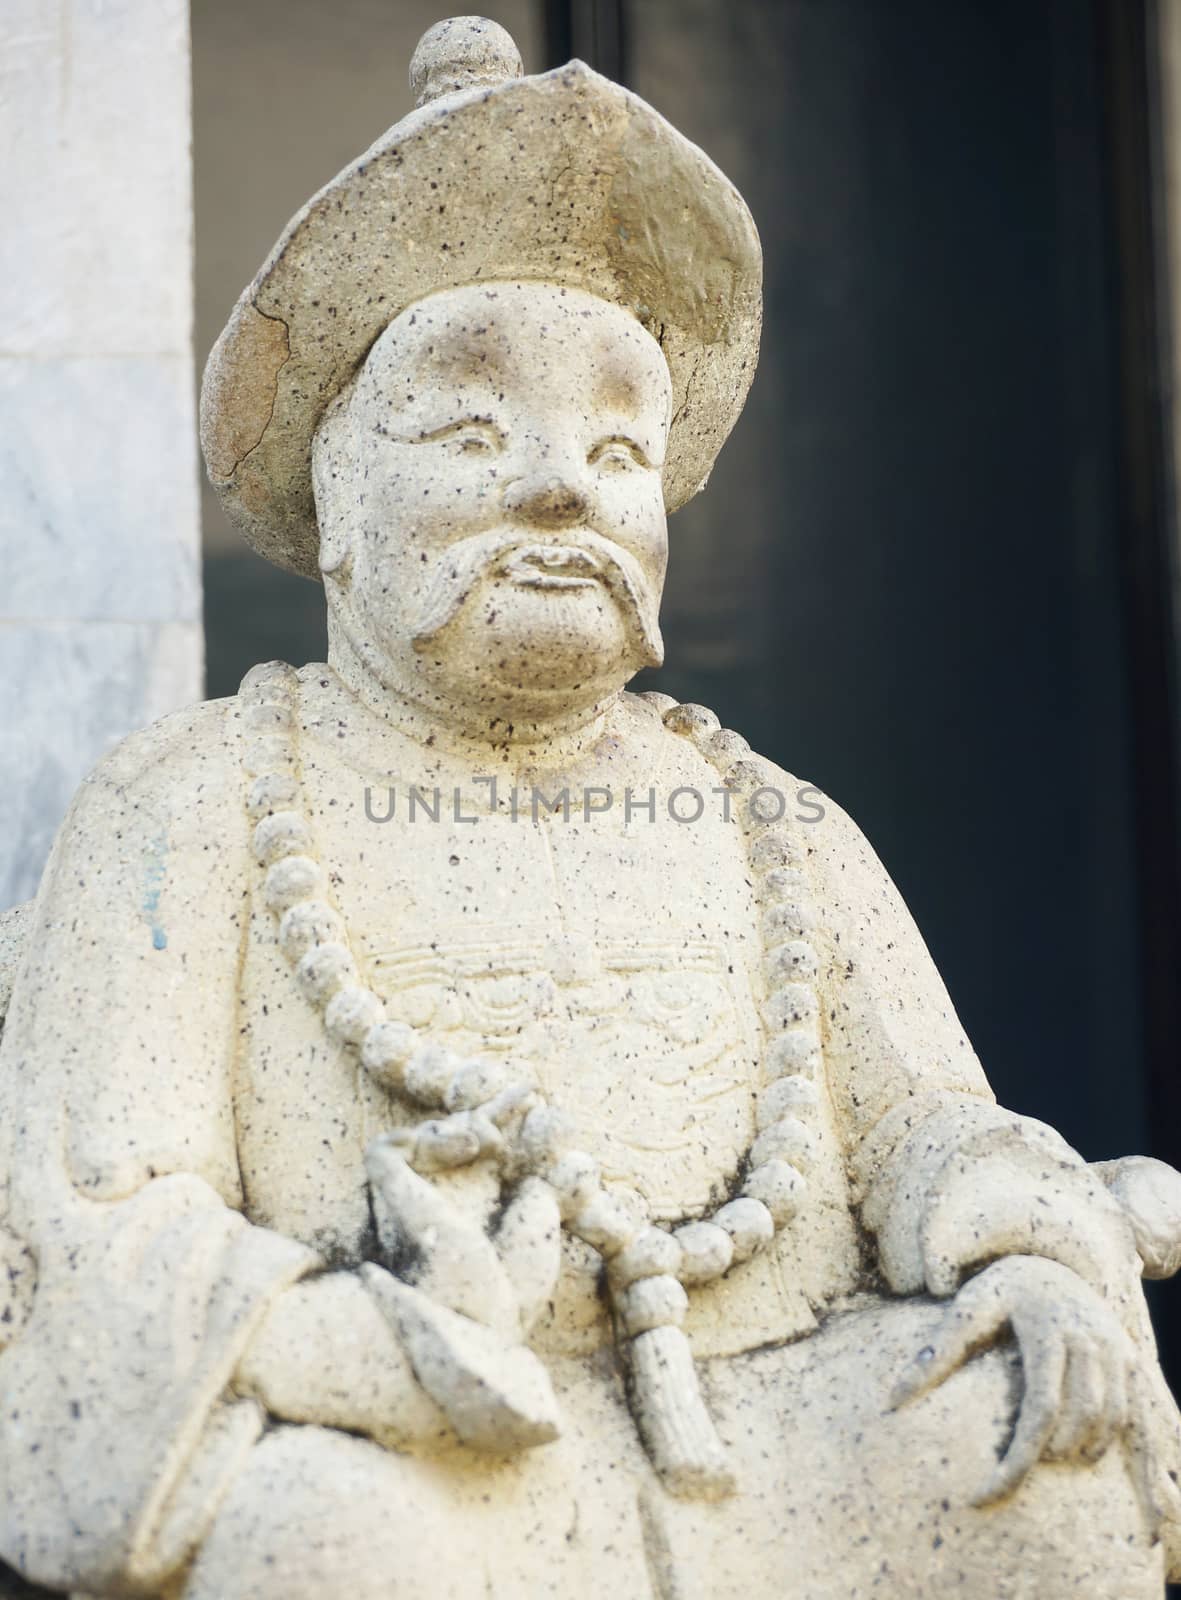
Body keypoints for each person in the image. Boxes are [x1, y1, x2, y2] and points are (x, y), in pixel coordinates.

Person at [1, 18, 1179, 1599]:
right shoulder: (189, 800)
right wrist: (385, 1336)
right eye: (474, 433)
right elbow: (99, 1223)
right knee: (316, 1543)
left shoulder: (773, 821)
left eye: (616, 450)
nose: (563, 488)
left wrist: (1028, 1249)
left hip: (793, 1414)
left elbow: (924, 1129)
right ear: (339, 497)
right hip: (430, 1455)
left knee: (1041, 1467)